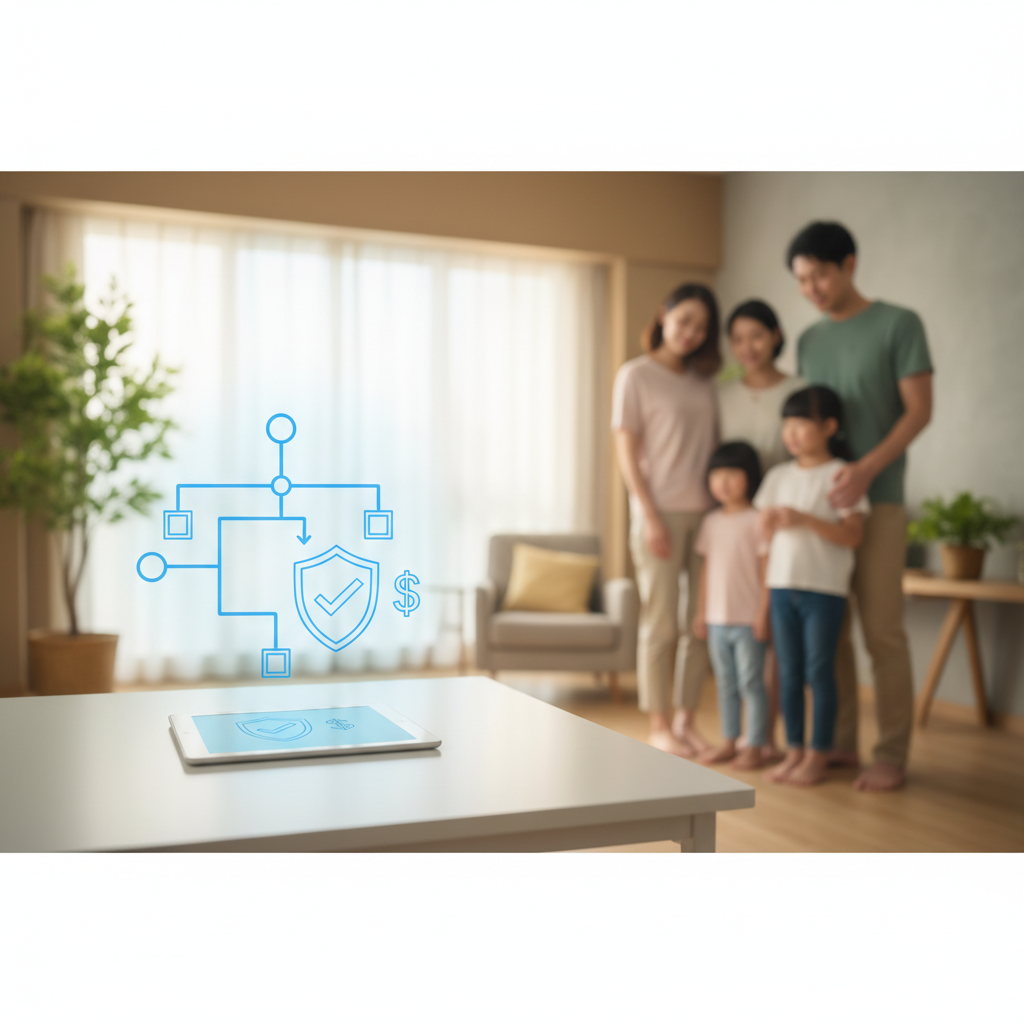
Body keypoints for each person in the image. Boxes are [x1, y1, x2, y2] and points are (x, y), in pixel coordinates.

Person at [788, 221, 933, 791]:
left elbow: (919, 411)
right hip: (821, 510)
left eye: (819, 274)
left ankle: (891, 753)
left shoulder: (899, 324)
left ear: (848, 263)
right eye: (801, 280)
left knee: (882, 632)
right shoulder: (808, 340)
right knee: (831, 632)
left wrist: (867, 469)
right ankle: (838, 743)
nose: (812, 288)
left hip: (882, 500)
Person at [611, 283, 721, 758]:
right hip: (658, 515)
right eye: (684, 321)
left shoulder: (707, 383)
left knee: (699, 624)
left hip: (710, 517)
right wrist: (649, 514)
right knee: (660, 623)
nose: (691, 333)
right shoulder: (635, 375)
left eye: (701, 327)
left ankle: (686, 721)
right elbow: (627, 452)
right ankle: (659, 725)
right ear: (664, 316)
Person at [755, 386, 869, 786]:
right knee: (788, 672)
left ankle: (820, 753)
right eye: (787, 424)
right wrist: (768, 529)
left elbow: (853, 535)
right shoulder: (777, 476)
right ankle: (796, 751)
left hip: (824, 588)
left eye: (801, 424)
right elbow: (762, 541)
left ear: (829, 427)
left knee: (819, 671)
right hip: (782, 586)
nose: (792, 433)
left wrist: (806, 520)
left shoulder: (841, 474)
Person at [718, 299, 807, 758]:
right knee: (745, 629)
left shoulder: (799, 390)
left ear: (775, 334)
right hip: (737, 522)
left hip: (784, 520)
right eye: (737, 339)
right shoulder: (723, 393)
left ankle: (767, 737)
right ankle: (749, 736)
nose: (746, 347)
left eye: (756, 335)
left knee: (773, 629)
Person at [692, 442, 771, 769]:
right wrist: (701, 612)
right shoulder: (711, 522)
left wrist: (762, 613)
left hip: (748, 619)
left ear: (750, 478)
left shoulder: (758, 519)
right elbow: (707, 570)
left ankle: (753, 745)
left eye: (732, 474)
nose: (723, 482)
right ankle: (729, 741)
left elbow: (768, 571)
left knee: (751, 683)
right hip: (717, 620)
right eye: (716, 475)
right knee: (725, 683)